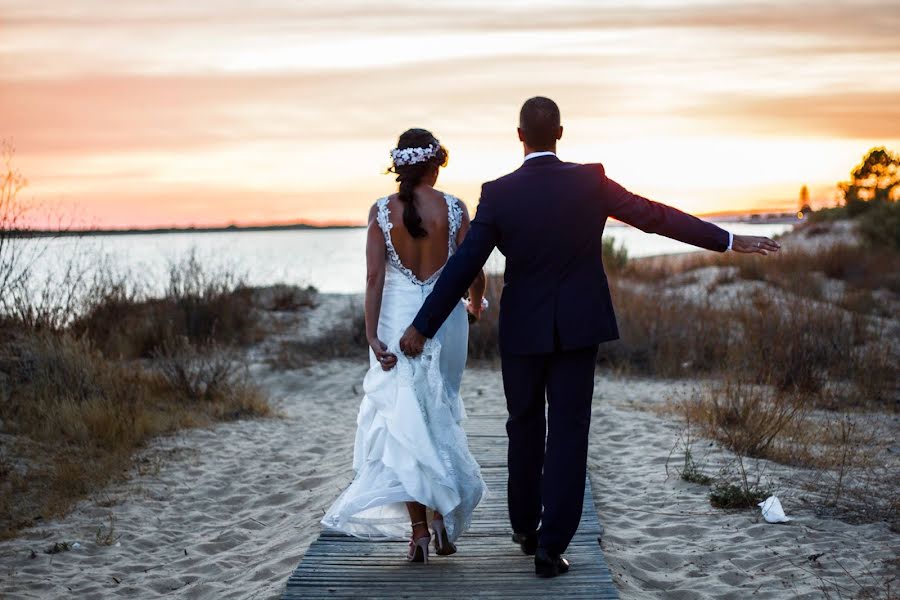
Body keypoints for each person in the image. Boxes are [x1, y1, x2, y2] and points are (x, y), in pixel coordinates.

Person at [399, 97, 780, 577]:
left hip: (523, 330)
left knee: (523, 426)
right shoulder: (590, 180)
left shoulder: (498, 193)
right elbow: (656, 216)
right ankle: (550, 546)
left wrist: (420, 326)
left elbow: (463, 267)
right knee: (568, 433)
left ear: (520, 136)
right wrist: (727, 240)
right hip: (579, 328)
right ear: (560, 133)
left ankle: (524, 527)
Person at [321, 128, 487, 565]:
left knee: (404, 420)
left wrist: (372, 335)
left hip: (397, 319)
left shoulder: (381, 211)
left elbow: (374, 279)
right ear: (436, 164)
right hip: (445, 319)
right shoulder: (454, 208)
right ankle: (439, 520)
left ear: (400, 166)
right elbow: (473, 266)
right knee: (438, 410)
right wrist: (475, 302)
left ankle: (419, 531)